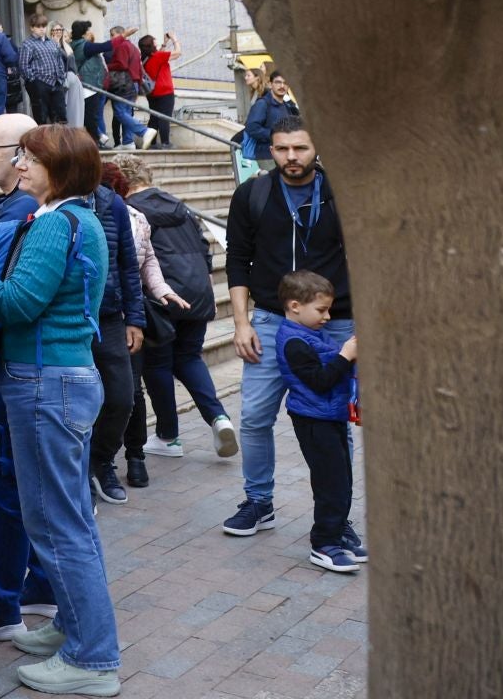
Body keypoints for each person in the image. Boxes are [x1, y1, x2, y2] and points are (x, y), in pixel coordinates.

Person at [0, 125, 121, 696]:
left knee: (57, 523)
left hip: (45, 383)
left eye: (29, 158)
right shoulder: (77, 218)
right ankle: (72, 626)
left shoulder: (55, 223)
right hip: (62, 380)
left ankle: (92, 659)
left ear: (56, 169)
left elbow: (17, 303)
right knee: (70, 518)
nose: (20, 165)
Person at [220, 117, 355, 544]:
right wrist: (241, 322)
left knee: (335, 423)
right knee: (256, 416)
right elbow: (238, 259)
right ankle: (258, 501)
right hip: (272, 320)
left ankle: (337, 518)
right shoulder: (253, 194)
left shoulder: (342, 193)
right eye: (282, 149)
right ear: (271, 149)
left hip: (335, 321)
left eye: (300, 148)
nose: (291, 157)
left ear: (317, 147)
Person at [0, 114, 57, 646]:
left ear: (24, 156)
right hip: (12, 370)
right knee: (23, 488)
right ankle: (32, 587)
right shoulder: (11, 206)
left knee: (8, 487)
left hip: (16, 372)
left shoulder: (28, 212)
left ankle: (1, 602)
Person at [117, 155, 236, 461]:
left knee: (157, 364)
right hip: (196, 291)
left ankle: (168, 437)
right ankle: (219, 418)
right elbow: (204, 246)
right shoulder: (178, 204)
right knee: (189, 357)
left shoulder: (132, 211)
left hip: (162, 296)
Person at [98, 161, 191, 492]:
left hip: (124, 317)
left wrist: (162, 291)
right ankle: (102, 460)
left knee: (130, 392)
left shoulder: (137, 219)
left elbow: (146, 261)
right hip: (99, 317)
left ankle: (134, 457)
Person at [273, 271, 365, 574]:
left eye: (328, 309)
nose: (327, 316)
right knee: (331, 484)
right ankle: (323, 544)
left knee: (343, 479)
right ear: (295, 305)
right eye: (321, 310)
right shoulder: (294, 341)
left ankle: (336, 531)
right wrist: (345, 355)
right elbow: (320, 380)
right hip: (314, 421)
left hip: (330, 416)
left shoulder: (310, 332)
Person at [83, 161, 145, 507]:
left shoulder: (112, 203)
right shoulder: (47, 202)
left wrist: (134, 319)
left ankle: (100, 459)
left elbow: (128, 264)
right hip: (71, 319)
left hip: (109, 318)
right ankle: (81, 469)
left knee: (122, 398)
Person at [242, 71, 300, 170]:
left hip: (284, 156)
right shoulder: (262, 104)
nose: (282, 86)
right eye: (278, 82)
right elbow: (252, 128)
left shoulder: (287, 106)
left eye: (285, 83)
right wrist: (275, 135)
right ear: (270, 84)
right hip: (266, 156)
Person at [18, 16, 68, 126]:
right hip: (40, 83)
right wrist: (33, 81)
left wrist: (61, 76)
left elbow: (59, 60)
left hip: (56, 82)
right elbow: (23, 65)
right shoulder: (27, 44)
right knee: (41, 117)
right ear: (32, 28)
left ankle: (59, 141)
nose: (42, 29)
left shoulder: (52, 42)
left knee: (60, 116)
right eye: (38, 26)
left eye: (44, 26)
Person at [69, 21, 109, 145]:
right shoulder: (85, 47)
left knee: (93, 115)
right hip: (89, 86)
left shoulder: (78, 45)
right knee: (91, 115)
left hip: (94, 86)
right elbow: (106, 46)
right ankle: (96, 140)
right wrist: (123, 36)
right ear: (84, 33)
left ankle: (98, 138)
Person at [138, 33, 179, 147]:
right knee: (164, 117)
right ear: (151, 44)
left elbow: (159, 56)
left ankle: (152, 143)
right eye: (153, 40)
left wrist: (165, 43)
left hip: (151, 92)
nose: (155, 40)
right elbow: (178, 53)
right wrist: (174, 39)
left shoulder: (146, 58)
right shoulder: (159, 56)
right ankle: (165, 143)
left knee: (154, 117)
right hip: (165, 91)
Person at [50, 23, 84, 127]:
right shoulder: (50, 46)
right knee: (63, 113)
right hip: (60, 83)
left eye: (60, 30)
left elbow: (73, 66)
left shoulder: (66, 46)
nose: (58, 32)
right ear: (50, 31)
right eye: (55, 30)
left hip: (72, 82)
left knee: (75, 112)